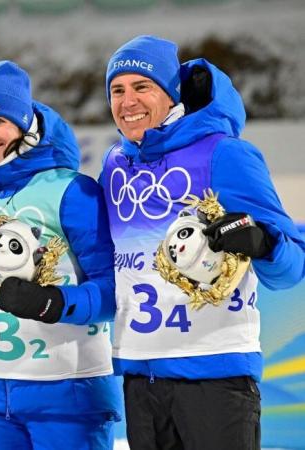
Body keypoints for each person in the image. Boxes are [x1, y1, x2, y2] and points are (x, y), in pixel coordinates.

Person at [101, 35, 305, 450]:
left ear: (172, 93)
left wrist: (263, 243)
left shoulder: (225, 154)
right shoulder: (114, 165)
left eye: (142, 87)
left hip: (215, 376)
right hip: (142, 380)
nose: (128, 102)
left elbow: (293, 265)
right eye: (117, 90)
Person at [0, 60, 121, 449]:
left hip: (69, 394)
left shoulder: (72, 191)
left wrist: (52, 303)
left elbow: (114, 291)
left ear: (23, 125)